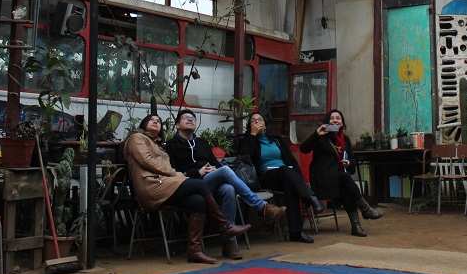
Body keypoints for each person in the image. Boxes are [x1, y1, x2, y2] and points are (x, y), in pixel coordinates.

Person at [122, 114, 250, 264]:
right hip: (151, 186)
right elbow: (146, 161)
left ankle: (194, 251)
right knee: (199, 184)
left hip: (166, 184)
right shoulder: (137, 138)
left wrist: (176, 175)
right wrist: (174, 173)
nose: (156, 122)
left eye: (158, 121)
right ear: (143, 124)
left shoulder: (159, 145)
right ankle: (225, 226)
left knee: (198, 201)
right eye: (152, 120)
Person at [164, 109, 287, 259]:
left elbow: (216, 165)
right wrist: (198, 172)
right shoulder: (171, 146)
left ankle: (229, 244)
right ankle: (262, 207)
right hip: (191, 184)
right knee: (225, 171)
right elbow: (174, 172)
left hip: (210, 183)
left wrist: (214, 171)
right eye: (185, 118)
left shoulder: (202, 143)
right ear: (177, 125)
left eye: (193, 118)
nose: (190, 120)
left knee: (228, 189)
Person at [239, 111, 324, 243]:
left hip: (285, 176)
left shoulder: (277, 140)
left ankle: (296, 233)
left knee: (290, 184)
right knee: (285, 170)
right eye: (253, 121)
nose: (257, 122)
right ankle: (311, 198)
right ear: (250, 126)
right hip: (265, 178)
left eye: (260, 119)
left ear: (265, 124)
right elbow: (245, 158)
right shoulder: (247, 140)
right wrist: (253, 135)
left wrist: (299, 180)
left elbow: (292, 161)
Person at [299, 109, 383, 237]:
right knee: (345, 178)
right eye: (332, 118)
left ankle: (356, 226)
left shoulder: (346, 140)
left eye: (338, 118)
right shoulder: (321, 137)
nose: (335, 121)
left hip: (337, 179)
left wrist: (348, 163)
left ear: (342, 123)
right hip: (322, 178)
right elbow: (303, 149)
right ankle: (366, 210)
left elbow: (352, 159)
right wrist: (316, 134)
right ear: (327, 122)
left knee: (346, 188)